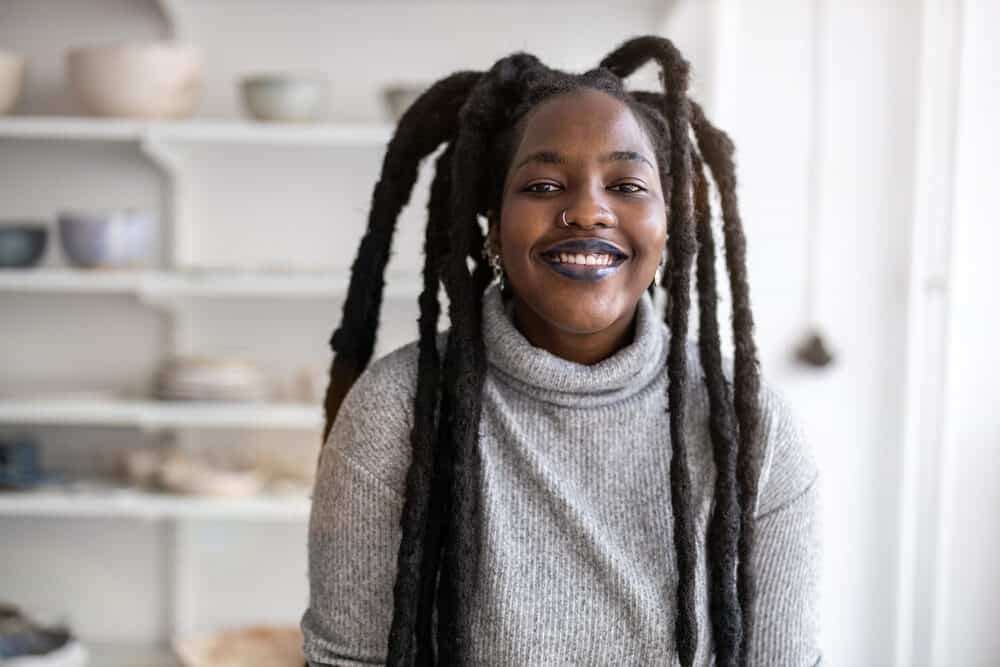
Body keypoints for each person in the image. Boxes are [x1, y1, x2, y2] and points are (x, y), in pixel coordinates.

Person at [301, 35, 820, 667]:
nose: (588, 211)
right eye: (544, 186)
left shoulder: (748, 426)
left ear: (669, 228)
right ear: (492, 224)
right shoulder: (397, 413)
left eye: (627, 184)